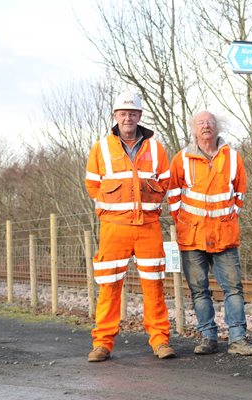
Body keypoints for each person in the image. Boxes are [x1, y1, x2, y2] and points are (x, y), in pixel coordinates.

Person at [84, 90, 175, 362]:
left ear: (140, 116)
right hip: (114, 228)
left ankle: (160, 340)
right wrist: (110, 207)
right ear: (115, 116)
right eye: (123, 113)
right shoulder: (100, 148)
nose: (128, 118)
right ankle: (102, 343)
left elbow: (166, 182)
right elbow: (92, 184)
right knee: (109, 285)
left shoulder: (156, 148)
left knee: (153, 284)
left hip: (148, 227)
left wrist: (151, 201)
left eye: (132, 113)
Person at [167, 111, 252, 356]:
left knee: (233, 287)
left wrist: (228, 217)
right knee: (199, 289)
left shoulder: (231, 156)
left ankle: (238, 338)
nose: (206, 126)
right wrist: (185, 222)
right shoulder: (182, 158)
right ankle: (207, 337)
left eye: (210, 122)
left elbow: (240, 192)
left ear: (217, 127)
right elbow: (173, 195)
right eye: (201, 123)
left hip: (224, 233)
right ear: (193, 129)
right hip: (192, 236)